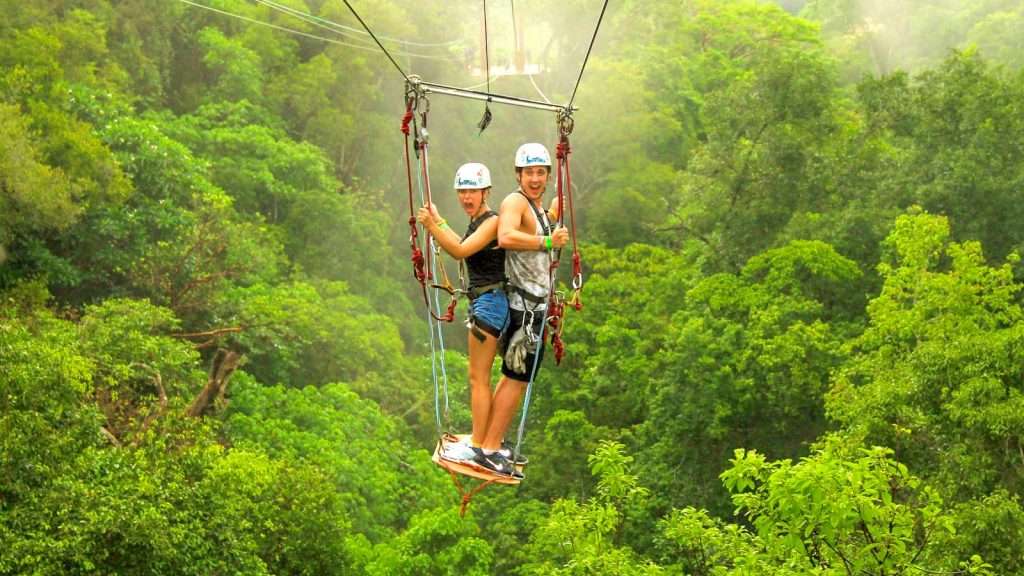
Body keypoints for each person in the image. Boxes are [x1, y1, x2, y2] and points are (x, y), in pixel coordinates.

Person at [472, 143, 568, 478]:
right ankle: (488, 448)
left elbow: (533, 228)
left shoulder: (538, 209)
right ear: (518, 175)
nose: (535, 179)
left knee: (514, 379)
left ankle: (490, 441)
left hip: (534, 308)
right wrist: (547, 242)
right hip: (523, 308)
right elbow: (508, 234)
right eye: (529, 173)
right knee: (517, 378)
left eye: (541, 173)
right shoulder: (515, 202)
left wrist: (552, 216)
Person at [416, 162, 511, 464]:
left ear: (486, 192)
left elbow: (459, 250)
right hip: (488, 303)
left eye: (473, 191)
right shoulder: (479, 221)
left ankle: (479, 446)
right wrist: (440, 221)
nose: (467, 197)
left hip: (490, 304)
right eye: (463, 192)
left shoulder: (492, 221)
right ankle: (481, 442)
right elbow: (462, 243)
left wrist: (432, 226)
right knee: (479, 378)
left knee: (478, 378)